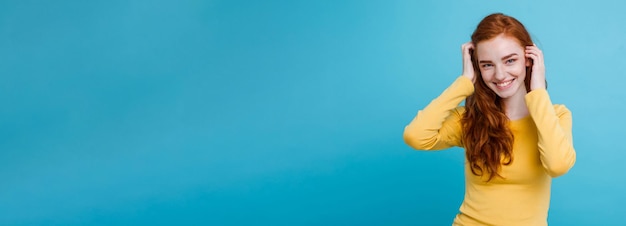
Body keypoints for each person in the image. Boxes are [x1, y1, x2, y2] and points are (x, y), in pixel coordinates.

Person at [403, 13, 576, 226]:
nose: (500, 75)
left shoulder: (555, 116)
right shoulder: (470, 119)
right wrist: (464, 82)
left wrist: (537, 91)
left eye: (510, 60)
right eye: (487, 65)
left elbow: (557, 165)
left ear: (529, 59)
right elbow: (416, 136)